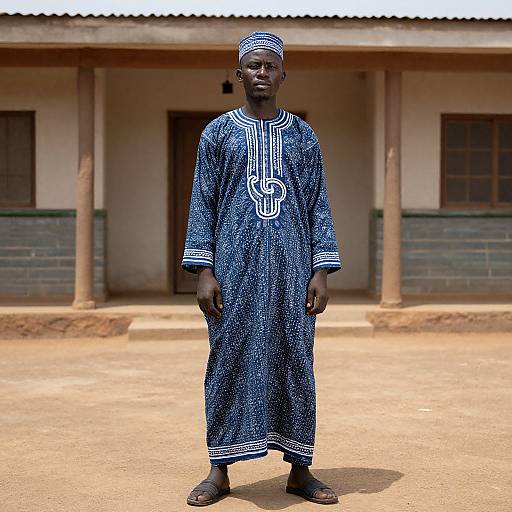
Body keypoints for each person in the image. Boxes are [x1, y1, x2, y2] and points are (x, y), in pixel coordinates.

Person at [182, 31, 342, 506]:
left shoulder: (302, 135)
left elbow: (317, 204)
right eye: (253, 66)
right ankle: (220, 469)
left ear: (283, 76)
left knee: (296, 361)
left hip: (293, 272)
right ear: (239, 74)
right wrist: (203, 270)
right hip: (233, 271)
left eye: (271, 67)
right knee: (227, 359)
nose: (262, 74)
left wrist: (321, 269)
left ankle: (300, 469)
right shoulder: (218, 133)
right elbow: (202, 202)